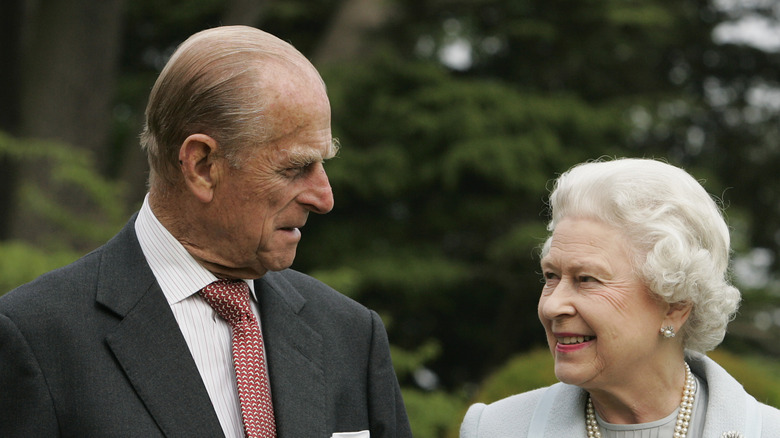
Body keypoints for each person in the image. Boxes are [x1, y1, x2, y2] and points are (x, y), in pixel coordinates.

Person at [0, 25, 411, 438]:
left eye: (323, 164)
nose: (324, 198)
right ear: (200, 166)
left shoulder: (351, 335)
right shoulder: (35, 340)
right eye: (295, 168)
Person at [460, 158, 780, 438]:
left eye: (587, 279)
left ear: (675, 306)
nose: (551, 305)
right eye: (551, 277)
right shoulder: (494, 429)